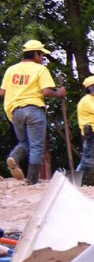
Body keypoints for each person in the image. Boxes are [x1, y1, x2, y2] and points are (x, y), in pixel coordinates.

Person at [2, 39, 67, 184]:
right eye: (42, 54)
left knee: (24, 142)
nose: (43, 58)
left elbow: (2, 92)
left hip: (15, 111)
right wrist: (60, 93)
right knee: (37, 146)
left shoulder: (11, 70)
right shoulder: (40, 69)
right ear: (36, 54)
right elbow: (45, 91)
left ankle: (14, 157)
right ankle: (31, 179)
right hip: (33, 110)